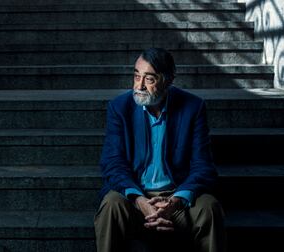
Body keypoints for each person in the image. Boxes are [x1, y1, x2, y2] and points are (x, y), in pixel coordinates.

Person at [94, 48, 226, 252]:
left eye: (149, 79)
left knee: (209, 207)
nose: (139, 86)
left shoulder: (193, 107)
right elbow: (113, 163)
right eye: (136, 76)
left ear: (168, 80)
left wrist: (175, 201)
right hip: (135, 195)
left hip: (177, 196)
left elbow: (203, 166)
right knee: (111, 204)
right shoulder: (120, 108)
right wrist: (140, 201)